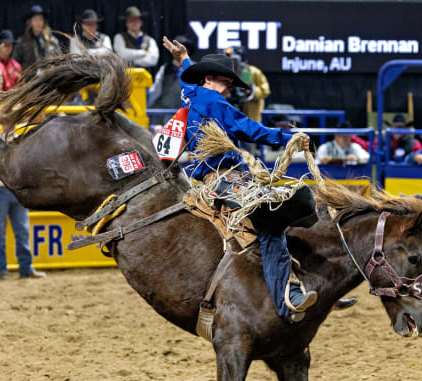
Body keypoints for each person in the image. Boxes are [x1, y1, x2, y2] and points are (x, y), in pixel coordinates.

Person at [162, 36, 317, 322]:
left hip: (210, 180)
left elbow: (187, 81)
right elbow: (250, 129)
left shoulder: (193, 94)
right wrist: (289, 136)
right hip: (227, 179)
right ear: (209, 79)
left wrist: (183, 58)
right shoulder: (216, 103)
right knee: (272, 225)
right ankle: (289, 300)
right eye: (226, 81)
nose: (230, 87)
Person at [0, 161, 46, 280]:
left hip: (13, 191)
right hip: (3, 191)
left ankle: (21, 269)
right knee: (2, 232)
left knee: (21, 231)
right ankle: (4, 270)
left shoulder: (11, 144)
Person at [12, 5, 60, 72]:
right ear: (30, 22)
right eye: (35, 19)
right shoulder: (22, 41)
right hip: (30, 79)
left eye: (41, 19)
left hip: (49, 78)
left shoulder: (52, 41)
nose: (38, 23)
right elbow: (14, 62)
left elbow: (59, 61)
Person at [113, 6, 159, 72]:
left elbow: (154, 60)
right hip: (125, 77)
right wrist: (143, 53)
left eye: (136, 20)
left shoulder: (150, 40)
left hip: (145, 77)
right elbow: (122, 54)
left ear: (141, 22)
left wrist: (132, 61)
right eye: (130, 20)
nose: (134, 22)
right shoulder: (119, 37)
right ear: (126, 23)